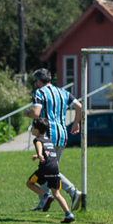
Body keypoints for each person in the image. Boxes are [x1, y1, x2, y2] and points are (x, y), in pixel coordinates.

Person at [25, 68, 83, 211]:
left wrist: (27, 113)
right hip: (62, 135)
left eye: (35, 82)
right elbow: (79, 106)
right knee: (48, 168)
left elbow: (35, 112)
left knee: (49, 169)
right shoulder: (63, 92)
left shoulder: (39, 92)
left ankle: (73, 192)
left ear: (39, 81)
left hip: (47, 136)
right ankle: (42, 203)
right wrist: (76, 123)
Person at [25, 117, 75, 224]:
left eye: (33, 128)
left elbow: (39, 145)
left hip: (45, 169)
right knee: (57, 194)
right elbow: (48, 153)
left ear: (37, 130)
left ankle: (46, 196)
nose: (31, 130)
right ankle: (68, 214)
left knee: (29, 183)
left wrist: (39, 154)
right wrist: (39, 156)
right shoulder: (48, 140)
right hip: (55, 168)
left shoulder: (37, 139)